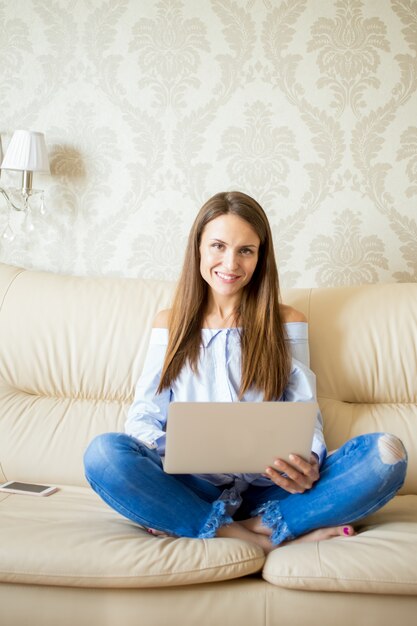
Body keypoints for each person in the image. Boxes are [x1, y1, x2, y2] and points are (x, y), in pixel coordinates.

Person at [84, 191, 407, 554]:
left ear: (260, 257)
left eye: (245, 251)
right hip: (193, 485)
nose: (230, 263)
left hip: (270, 488)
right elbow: (144, 415)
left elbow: (304, 412)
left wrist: (308, 460)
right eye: (218, 246)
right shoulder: (169, 323)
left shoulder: (288, 322)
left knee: (386, 456)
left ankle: (234, 523)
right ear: (198, 250)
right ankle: (256, 536)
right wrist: (173, 449)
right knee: (103, 455)